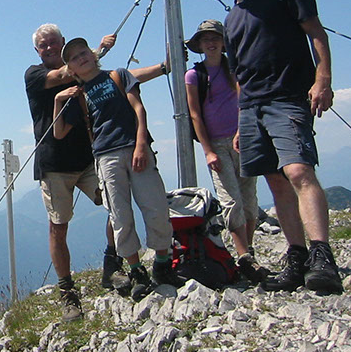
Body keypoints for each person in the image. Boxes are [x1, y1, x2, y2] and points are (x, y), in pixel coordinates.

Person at [208, 0, 343, 294]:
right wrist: (241, 121)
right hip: (252, 108)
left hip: (288, 97)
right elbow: (239, 76)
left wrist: (323, 79)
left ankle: (322, 257)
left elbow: (316, 32)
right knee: (276, 182)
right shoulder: (231, 21)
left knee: (298, 171)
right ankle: (297, 256)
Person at [25, 24, 169, 320]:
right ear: (36, 51)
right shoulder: (35, 75)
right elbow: (64, 75)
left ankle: (112, 265)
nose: (49, 48)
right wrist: (99, 51)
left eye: (54, 42)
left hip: (92, 156)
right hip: (54, 163)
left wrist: (163, 67)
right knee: (59, 225)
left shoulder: (88, 77)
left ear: (62, 42)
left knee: (115, 208)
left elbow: (121, 79)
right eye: (43, 45)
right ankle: (67, 292)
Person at [53, 37, 183, 302]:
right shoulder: (79, 96)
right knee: (120, 217)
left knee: (156, 208)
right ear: (71, 69)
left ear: (93, 54)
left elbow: (138, 109)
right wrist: (58, 100)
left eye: (84, 52)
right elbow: (58, 132)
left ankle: (162, 265)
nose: (81, 58)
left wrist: (141, 144)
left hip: (136, 148)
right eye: (74, 58)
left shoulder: (118, 76)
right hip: (105, 157)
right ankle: (137, 272)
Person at [184, 19, 269, 283]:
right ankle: (244, 256)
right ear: (199, 45)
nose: (210, 43)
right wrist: (208, 150)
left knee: (249, 199)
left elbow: (245, 99)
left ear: (223, 42)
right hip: (217, 144)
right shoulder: (193, 76)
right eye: (205, 39)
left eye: (215, 38)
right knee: (231, 201)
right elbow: (195, 115)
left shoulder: (234, 68)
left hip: (243, 139)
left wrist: (245, 131)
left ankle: (248, 252)